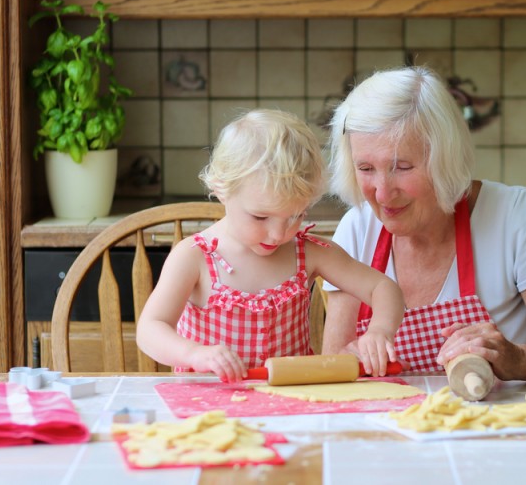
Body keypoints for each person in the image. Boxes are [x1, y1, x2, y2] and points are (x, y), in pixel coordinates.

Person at [322, 66, 526, 386]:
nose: (382, 193)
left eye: (402, 167)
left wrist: (521, 358)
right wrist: (349, 359)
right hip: (389, 428)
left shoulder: (514, 215)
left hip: (500, 427)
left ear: (444, 158)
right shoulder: (356, 229)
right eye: (365, 168)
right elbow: (331, 368)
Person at [137, 109, 404, 382]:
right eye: (261, 217)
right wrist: (194, 354)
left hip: (291, 402)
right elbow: (150, 329)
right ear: (221, 190)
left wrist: (379, 331)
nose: (278, 234)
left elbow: (383, 288)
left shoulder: (307, 252)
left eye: (295, 216)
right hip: (209, 406)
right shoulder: (194, 257)